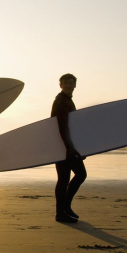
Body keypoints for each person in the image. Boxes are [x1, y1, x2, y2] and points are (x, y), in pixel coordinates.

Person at [52, 73, 87, 223]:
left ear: (75, 85)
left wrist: (78, 147)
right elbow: (62, 127)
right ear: (60, 84)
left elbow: (72, 127)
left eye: (70, 83)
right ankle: (62, 210)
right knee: (77, 175)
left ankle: (64, 209)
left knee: (66, 179)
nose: (68, 85)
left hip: (65, 145)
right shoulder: (61, 101)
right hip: (64, 146)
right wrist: (70, 148)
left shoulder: (67, 101)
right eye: (65, 83)